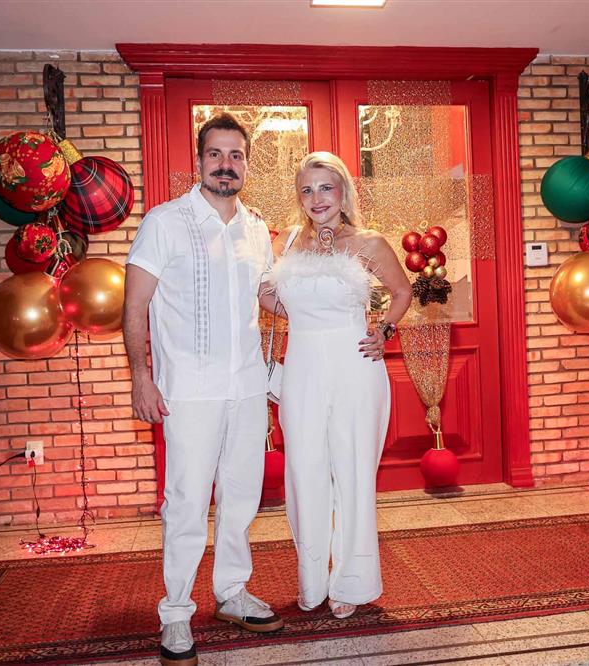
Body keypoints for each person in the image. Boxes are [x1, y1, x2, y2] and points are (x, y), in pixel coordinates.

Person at [124, 113, 284, 666]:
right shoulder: (165, 222)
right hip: (188, 390)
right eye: (215, 154)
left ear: (246, 165)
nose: (225, 165)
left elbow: (267, 297)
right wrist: (141, 376)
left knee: (241, 497)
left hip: (247, 387)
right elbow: (134, 306)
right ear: (199, 161)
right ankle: (175, 613)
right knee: (187, 503)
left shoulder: (256, 228)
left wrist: (322, 297)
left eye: (236, 155)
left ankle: (232, 592)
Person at [262, 151, 412, 620]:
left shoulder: (368, 242)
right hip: (302, 367)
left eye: (325, 187)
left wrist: (384, 331)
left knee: (352, 474)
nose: (316, 198)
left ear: (344, 191)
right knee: (304, 472)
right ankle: (311, 579)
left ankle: (351, 581)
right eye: (307, 190)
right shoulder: (288, 242)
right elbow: (269, 294)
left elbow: (402, 291)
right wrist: (286, 306)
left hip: (354, 366)